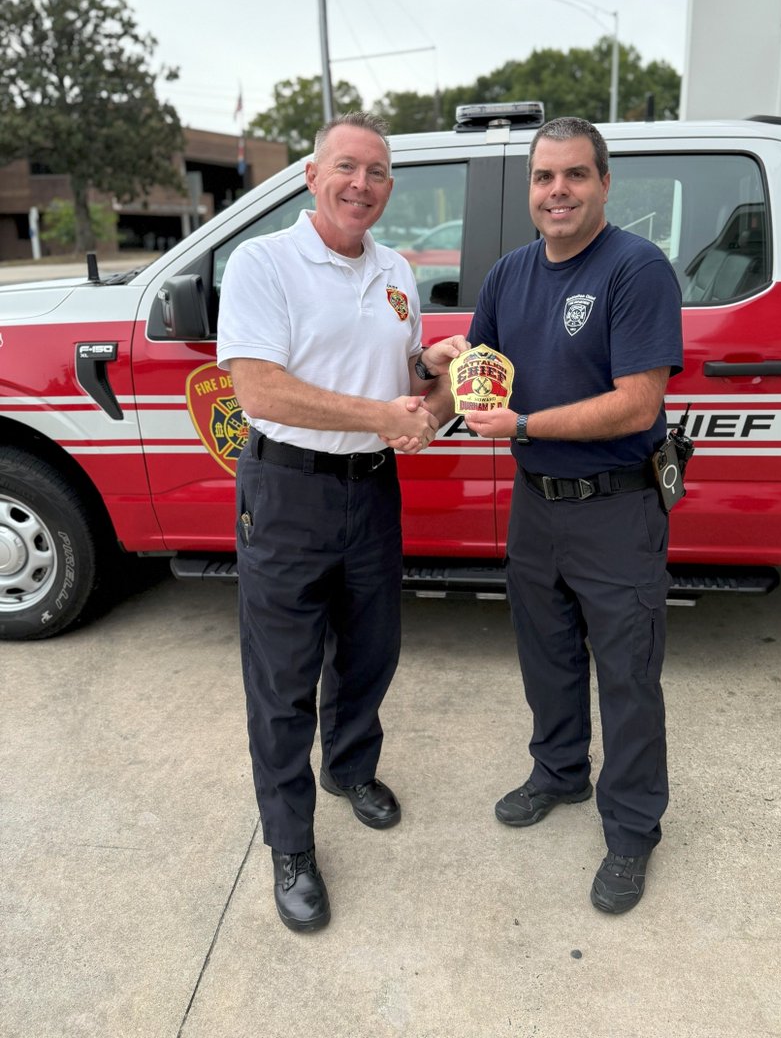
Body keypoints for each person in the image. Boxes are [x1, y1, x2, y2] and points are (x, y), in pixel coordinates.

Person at [217, 111, 465, 933]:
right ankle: (291, 847)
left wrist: (426, 370)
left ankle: (351, 770)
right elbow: (259, 389)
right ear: (311, 176)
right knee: (284, 682)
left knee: (369, 651)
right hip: (288, 492)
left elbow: (392, 371)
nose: (363, 185)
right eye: (347, 168)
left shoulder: (396, 269)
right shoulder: (265, 262)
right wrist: (380, 412)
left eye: (379, 173)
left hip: (372, 490)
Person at [464, 116, 683, 914]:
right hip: (537, 507)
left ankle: (630, 831)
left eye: (574, 176)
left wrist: (521, 426)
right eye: (543, 178)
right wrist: (435, 370)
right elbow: (478, 371)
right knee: (546, 654)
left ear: (603, 183)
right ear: (531, 189)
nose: (557, 191)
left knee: (627, 674)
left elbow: (637, 405)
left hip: (615, 510)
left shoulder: (636, 268)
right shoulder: (509, 275)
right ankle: (559, 773)